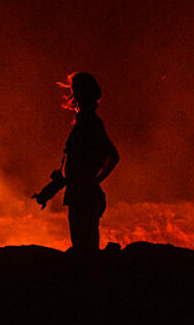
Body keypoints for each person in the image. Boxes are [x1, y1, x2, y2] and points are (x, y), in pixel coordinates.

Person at [59, 72, 119, 254]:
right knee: (83, 247)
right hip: (80, 193)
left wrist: (92, 181)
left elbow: (113, 156)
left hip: (84, 195)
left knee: (85, 250)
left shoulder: (91, 123)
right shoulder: (86, 122)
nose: (73, 95)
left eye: (75, 91)